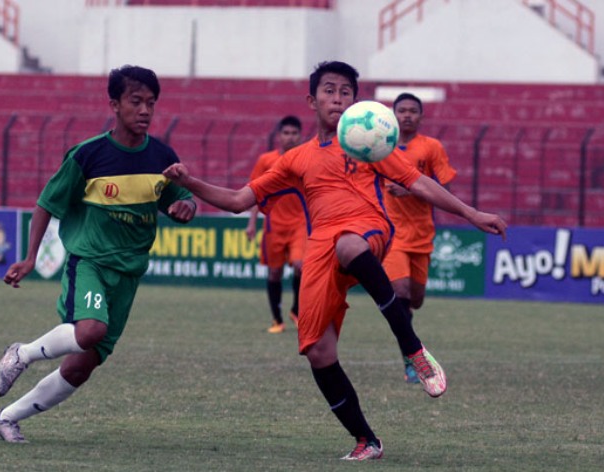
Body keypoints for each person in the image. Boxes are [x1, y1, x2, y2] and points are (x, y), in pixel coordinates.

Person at [163, 61, 507, 461]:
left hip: (368, 231)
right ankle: (366, 441)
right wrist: (188, 182)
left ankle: (412, 348)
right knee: (318, 352)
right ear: (312, 100)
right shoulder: (296, 159)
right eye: (330, 90)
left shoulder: (369, 142)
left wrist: (472, 214)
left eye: (346, 92)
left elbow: (419, 182)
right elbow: (240, 200)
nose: (338, 98)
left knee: (349, 245)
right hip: (319, 249)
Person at [0, 65, 197, 443]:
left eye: (151, 103)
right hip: (91, 262)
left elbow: (180, 199)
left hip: (128, 274)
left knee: (81, 367)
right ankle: (23, 353)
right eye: (136, 101)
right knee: (90, 330)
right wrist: (31, 257)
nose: (145, 110)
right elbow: (46, 203)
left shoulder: (162, 157)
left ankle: (7, 417)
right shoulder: (89, 155)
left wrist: (187, 208)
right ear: (114, 104)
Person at [383, 92, 457, 384]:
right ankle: (412, 360)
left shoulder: (431, 147)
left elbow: (444, 185)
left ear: (421, 116)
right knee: (399, 293)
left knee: (415, 300)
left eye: (413, 111)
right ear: (393, 114)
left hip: (422, 234)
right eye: (402, 110)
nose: (407, 115)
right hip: (393, 234)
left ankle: (410, 349)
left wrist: (413, 188)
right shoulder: (380, 146)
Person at [245, 115, 308, 333]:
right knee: (274, 273)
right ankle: (277, 320)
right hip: (274, 225)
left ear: (301, 136)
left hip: (300, 223)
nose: (290, 137)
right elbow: (255, 192)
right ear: (279, 136)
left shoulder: (306, 159)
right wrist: (252, 223)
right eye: (286, 133)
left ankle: (297, 311)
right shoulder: (266, 160)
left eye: (294, 133)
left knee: (302, 265)